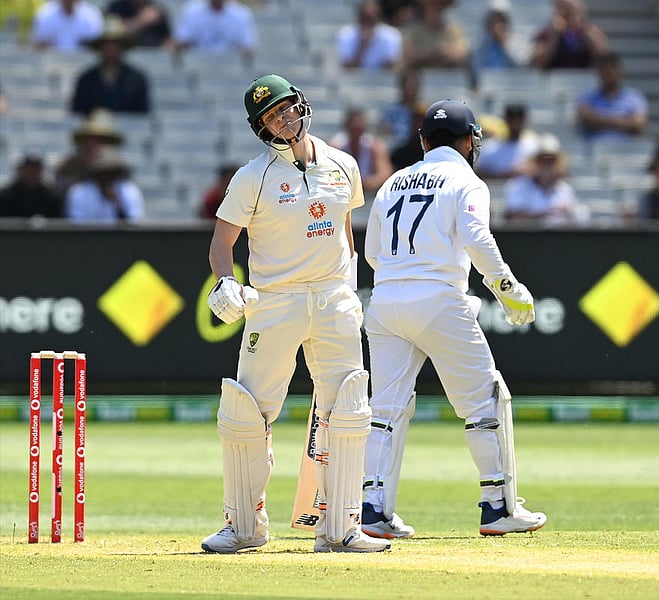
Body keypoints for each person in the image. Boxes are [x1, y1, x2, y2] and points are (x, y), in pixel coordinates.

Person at [200, 74, 389, 554]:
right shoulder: (252, 176)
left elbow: (346, 233)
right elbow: (222, 244)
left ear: (301, 105)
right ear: (261, 128)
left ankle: (341, 528)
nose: (284, 119)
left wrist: (348, 292)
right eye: (271, 116)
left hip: (333, 299)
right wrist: (226, 281)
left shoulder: (343, 165)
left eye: (287, 108)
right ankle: (245, 527)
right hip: (275, 300)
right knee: (247, 413)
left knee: (347, 408)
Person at [361, 98, 547, 539]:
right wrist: (508, 289)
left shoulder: (392, 182)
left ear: (424, 140)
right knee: (486, 400)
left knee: (385, 409)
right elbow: (476, 237)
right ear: (469, 142)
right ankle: (497, 505)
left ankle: (372, 510)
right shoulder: (467, 181)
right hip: (439, 299)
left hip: (385, 301)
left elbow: (371, 252)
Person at [70, 16, 151, 115]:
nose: (111, 48)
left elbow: (142, 115)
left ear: (122, 47)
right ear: (100, 47)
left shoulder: (136, 79)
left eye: (115, 44)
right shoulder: (86, 79)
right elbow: (77, 112)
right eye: (107, 44)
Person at [503, 133, 584, 226]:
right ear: (535, 162)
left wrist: (567, 212)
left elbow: (577, 219)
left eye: (551, 160)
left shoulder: (565, 189)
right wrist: (545, 215)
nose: (546, 165)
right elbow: (514, 217)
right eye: (542, 160)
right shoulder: (518, 186)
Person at [576, 52, 649, 147]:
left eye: (613, 69)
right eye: (606, 71)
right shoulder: (587, 97)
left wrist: (599, 121)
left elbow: (638, 124)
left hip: (627, 152)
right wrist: (624, 122)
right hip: (594, 152)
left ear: (620, 72)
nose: (610, 74)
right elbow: (587, 119)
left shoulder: (634, 97)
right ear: (599, 73)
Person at [55, 108, 125, 195]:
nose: (97, 144)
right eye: (93, 138)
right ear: (85, 140)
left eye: (103, 140)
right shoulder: (68, 167)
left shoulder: (117, 170)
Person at [64, 146, 143, 221]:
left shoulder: (129, 190)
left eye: (111, 172)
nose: (106, 176)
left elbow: (133, 224)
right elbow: (76, 225)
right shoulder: (79, 192)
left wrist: (117, 204)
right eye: (102, 172)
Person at [329, 107, 393, 194]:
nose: (356, 130)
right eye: (353, 126)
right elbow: (329, 173)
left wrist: (371, 181)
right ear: (346, 126)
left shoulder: (374, 146)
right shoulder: (336, 146)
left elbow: (385, 172)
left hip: (368, 192)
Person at [530, 0, 608, 70]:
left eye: (569, 8)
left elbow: (604, 59)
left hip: (585, 80)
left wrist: (584, 28)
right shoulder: (546, 33)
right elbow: (540, 63)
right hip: (554, 82)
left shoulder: (590, 31)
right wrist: (554, 35)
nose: (566, 12)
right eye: (562, 7)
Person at [173, 0, 256, 61]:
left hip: (230, 67)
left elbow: (248, 47)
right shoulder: (191, 11)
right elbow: (182, 42)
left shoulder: (241, 14)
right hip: (198, 64)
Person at [476, 103, 539, 180]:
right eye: (512, 120)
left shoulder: (535, 147)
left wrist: (529, 171)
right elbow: (478, 172)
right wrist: (504, 174)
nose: (515, 125)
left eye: (518, 120)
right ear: (505, 120)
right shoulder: (490, 147)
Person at [400, 0, 469, 69]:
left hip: (447, 76)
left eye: (440, 5)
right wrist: (432, 55)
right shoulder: (411, 30)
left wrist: (446, 53)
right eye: (432, 6)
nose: (436, 9)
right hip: (418, 77)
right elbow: (408, 57)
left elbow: (462, 54)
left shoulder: (453, 30)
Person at [337, 0, 402, 71]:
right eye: (365, 17)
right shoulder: (346, 34)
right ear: (359, 16)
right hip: (353, 81)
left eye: (371, 18)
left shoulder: (391, 35)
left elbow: (391, 68)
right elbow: (348, 69)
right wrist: (362, 45)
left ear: (379, 16)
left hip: (382, 80)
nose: (368, 22)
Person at [0, 151, 64, 218]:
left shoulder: (51, 198)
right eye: (28, 169)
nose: (31, 173)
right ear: (21, 170)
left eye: (35, 169)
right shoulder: (6, 196)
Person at [470, 0, 527, 71]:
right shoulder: (481, 46)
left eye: (500, 20)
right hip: (489, 81)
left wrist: (505, 43)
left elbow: (522, 65)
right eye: (494, 20)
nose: (497, 25)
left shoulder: (519, 42)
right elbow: (476, 71)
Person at [30, 0, 103, 52]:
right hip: (52, 65)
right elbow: (40, 47)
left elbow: (95, 48)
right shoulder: (45, 14)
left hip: (84, 66)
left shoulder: (92, 16)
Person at [379, 67, 422, 147]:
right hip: (397, 150)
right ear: (402, 87)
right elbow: (385, 131)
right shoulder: (391, 110)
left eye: (414, 87)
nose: (411, 91)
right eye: (409, 87)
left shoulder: (423, 110)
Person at [105, 0, 172, 48]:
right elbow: (113, 35)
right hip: (124, 55)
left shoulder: (156, 9)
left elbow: (167, 38)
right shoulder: (116, 8)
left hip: (153, 55)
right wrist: (141, 20)